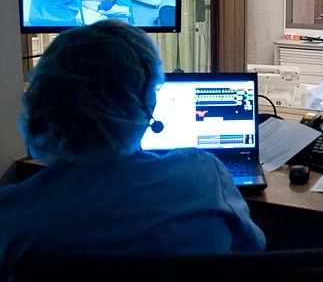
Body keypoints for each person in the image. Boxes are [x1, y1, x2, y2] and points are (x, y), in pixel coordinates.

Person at [0, 20, 265, 275]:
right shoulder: (204, 176)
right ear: (146, 104)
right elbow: (255, 248)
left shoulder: (12, 214)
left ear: (41, 104)